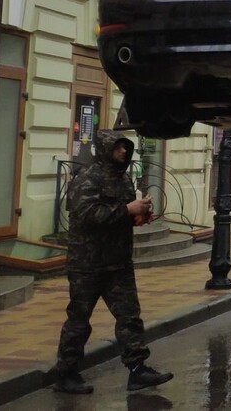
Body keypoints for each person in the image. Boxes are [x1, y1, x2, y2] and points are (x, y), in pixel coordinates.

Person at [51, 131, 173, 395]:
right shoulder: (87, 178)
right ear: (105, 149)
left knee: (129, 317)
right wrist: (127, 210)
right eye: (118, 148)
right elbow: (88, 215)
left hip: (118, 263)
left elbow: (120, 216)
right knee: (79, 320)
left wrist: (138, 217)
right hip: (87, 264)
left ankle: (138, 370)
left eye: (125, 148)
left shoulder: (124, 179)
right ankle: (66, 374)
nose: (123, 153)